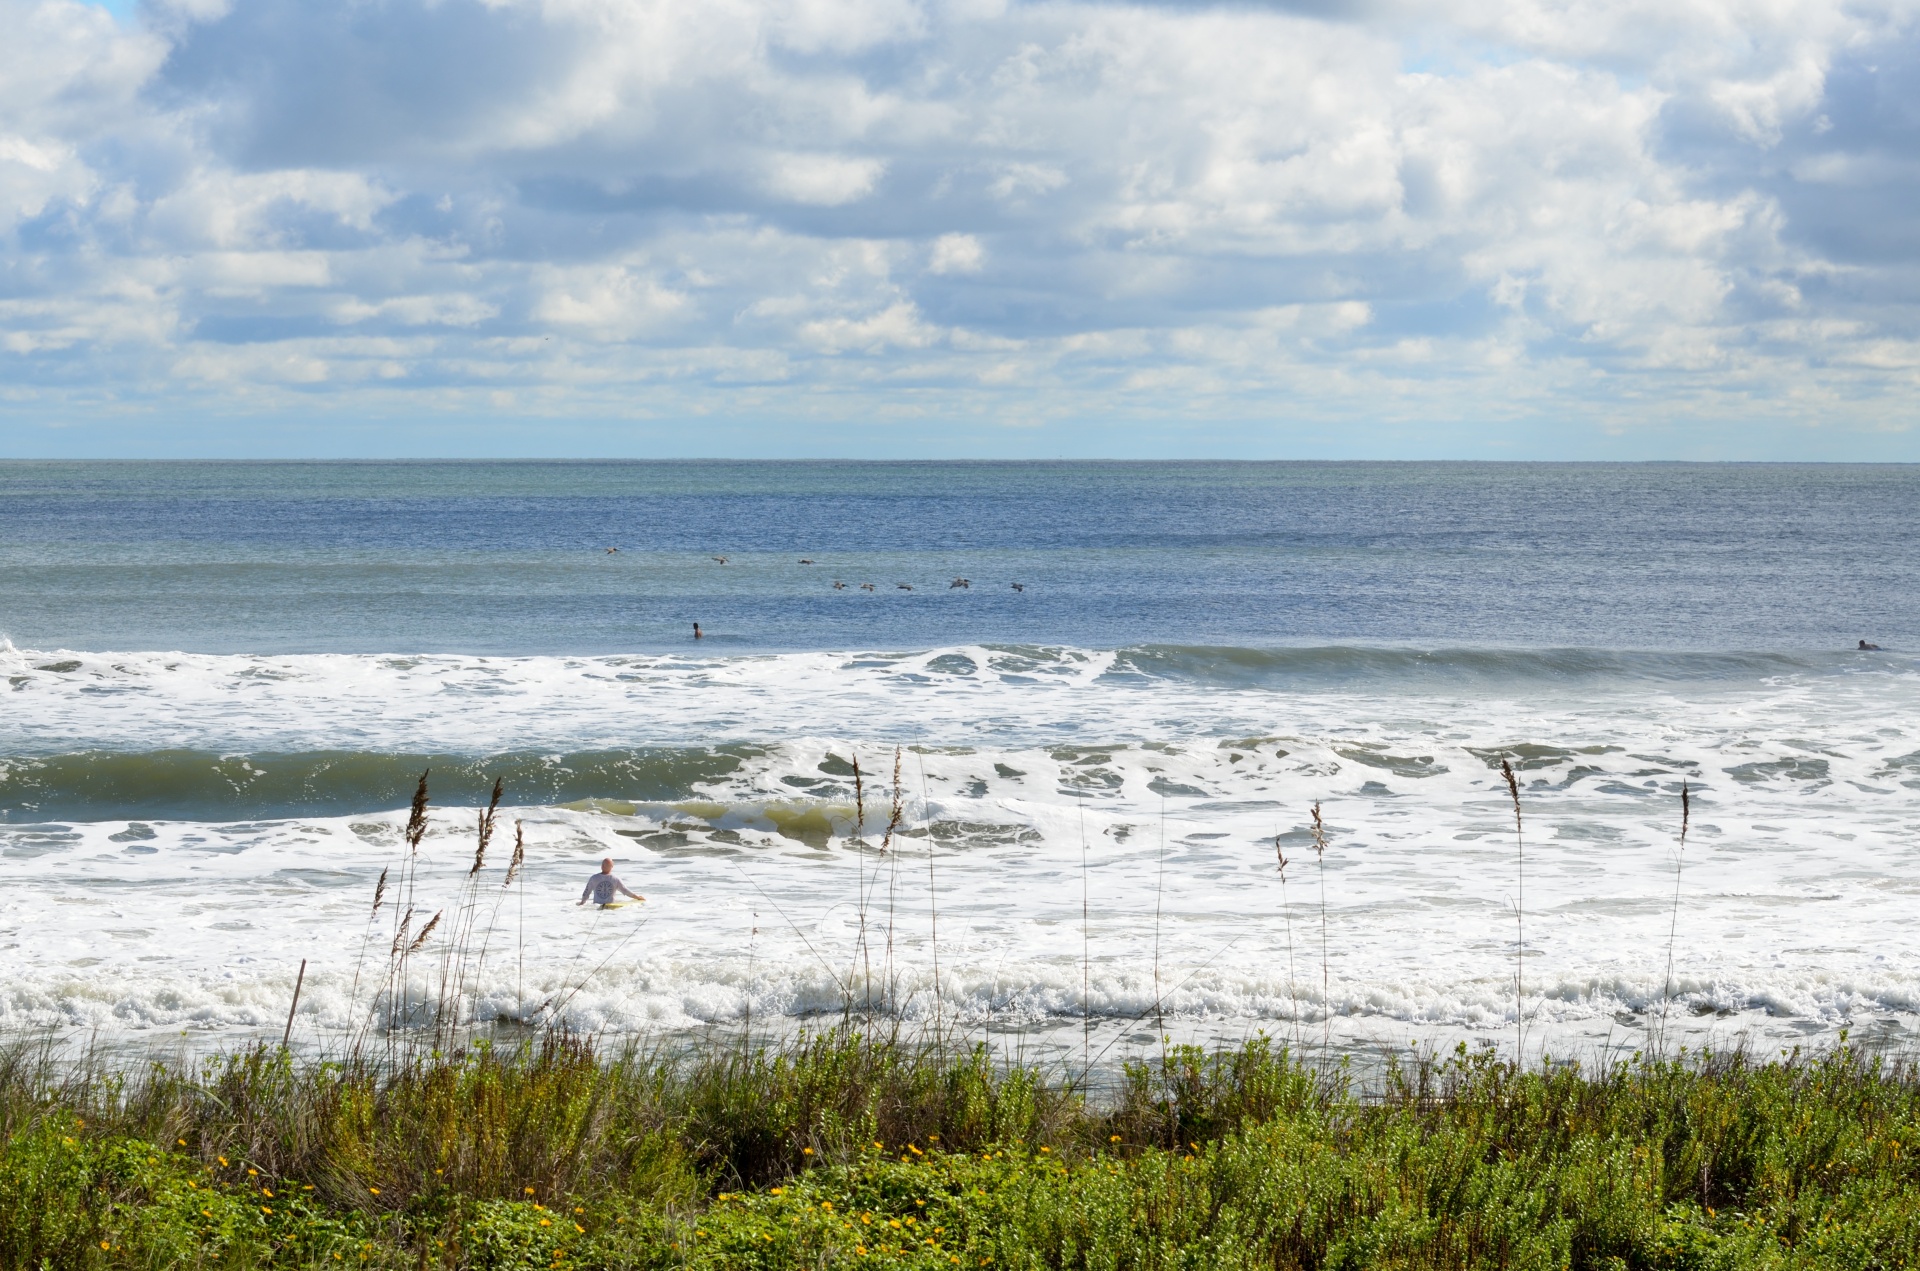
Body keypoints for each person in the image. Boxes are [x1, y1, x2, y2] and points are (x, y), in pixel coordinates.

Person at [579, 858, 644, 907]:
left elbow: (586, 892)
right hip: (610, 908)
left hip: (597, 907)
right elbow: (625, 891)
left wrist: (582, 903)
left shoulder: (594, 878)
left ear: (601, 866)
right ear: (611, 867)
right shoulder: (615, 879)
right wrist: (638, 897)